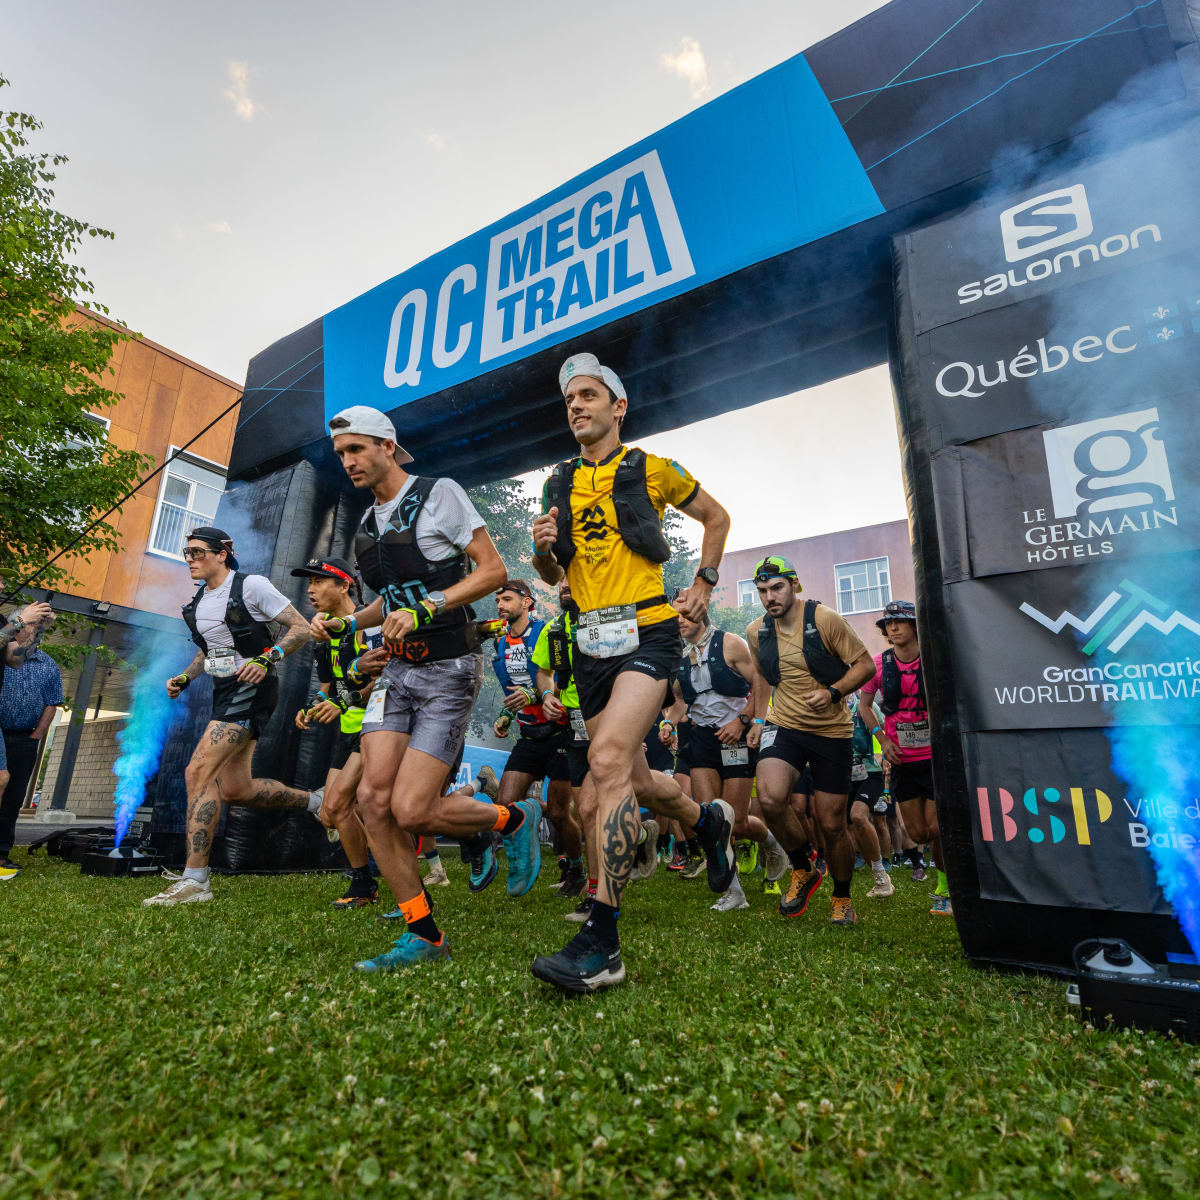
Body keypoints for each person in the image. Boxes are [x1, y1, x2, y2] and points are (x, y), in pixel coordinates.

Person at [529, 351, 737, 992]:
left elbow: (717, 517)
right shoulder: (557, 483)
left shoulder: (653, 468)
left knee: (607, 762)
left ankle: (603, 942)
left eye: (588, 395)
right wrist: (541, 554)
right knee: (639, 781)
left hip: (649, 629)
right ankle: (709, 824)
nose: (576, 406)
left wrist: (703, 581)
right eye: (569, 400)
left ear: (618, 406)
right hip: (588, 642)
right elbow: (553, 574)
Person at [317, 406, 538, 973]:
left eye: (357, 449)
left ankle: (512, 820)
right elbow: (388, 602)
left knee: (412, 810)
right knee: (372, 802)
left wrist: (429, 606)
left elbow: (492, 571)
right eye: (341, 454)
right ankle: (424, 933)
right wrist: (349, 622)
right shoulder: (369, 523)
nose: (348, 461)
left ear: (387, 446)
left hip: (448, 670)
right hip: (396, 673)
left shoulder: (439, 494)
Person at [143, 527, 317, 906]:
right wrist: (184, 678)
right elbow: (210, 651)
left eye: (198, 552)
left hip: (253, 687)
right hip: (224, 689)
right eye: (187, 552)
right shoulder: (199, 601)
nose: (190, 559)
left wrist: (267, 658)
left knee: (197, 772)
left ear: (222, 553)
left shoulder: (251, 586)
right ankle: (316, 803)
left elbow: (301, 627)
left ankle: (195, 880)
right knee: (238, 790)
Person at [745, 556, 876, 927]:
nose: (770, 597)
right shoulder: (757, 631)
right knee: (770, 799)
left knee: (832, 824)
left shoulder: (824, 619)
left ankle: (842, 897)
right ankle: (803, 867)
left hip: (831, 731)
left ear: (794, 585)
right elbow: (762, 677)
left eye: (777, 588)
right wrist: (758, 719)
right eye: (762, 591)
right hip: (784, 724)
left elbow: (865, 666)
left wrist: (833, 692)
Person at [665, 610, 787, 911]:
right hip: (702, 740)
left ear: (701, 614)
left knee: (737, 822)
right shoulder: (680, 655)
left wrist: (743, 720)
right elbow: (679, 698)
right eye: (675, 616)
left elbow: (760, 683)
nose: (680, 621)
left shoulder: (729, 643)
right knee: (712, 821)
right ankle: (735, 893)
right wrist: (668, 723)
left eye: (686, 615)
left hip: (736, 737)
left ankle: (772, 843)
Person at [290, 556, 388, 908]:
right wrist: (312, 705)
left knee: (346, 805)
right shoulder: (322, 637)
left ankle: (369, 882)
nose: (311, 589)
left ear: (345, 585)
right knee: (332, 813)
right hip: (349, 730)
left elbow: (386, 678)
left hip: (377, 725)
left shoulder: (369, 624)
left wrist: (344, 703)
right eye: (309, 582)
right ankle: (374, 874)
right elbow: (327, 687)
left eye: (318, 581)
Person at [486, 578, 581, 892]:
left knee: (559, 812)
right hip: (528, 733)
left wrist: (535, 694)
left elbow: (561, 678)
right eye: (498, 600)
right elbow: (513, 689)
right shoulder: (500, 642)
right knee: (506, 804)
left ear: (527, 602)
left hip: (560, 732)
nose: (500, 605)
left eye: (507, 599)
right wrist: (506, 715)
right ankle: (529, 848)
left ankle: (576, 869)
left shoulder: (546, 632)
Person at [857, 600, 949, 914]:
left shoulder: (933, 656)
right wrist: (882, 739)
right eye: (888, 623)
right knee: (919, 833)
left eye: (900, 622)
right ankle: (936, 867)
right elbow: (864, 706)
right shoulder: (878, 664)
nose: (893, 628)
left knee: (937, 829)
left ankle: (946, 887)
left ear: (915, 625)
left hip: (934, 757)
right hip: (901, 760)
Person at [532, 576, 591, 907]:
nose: (565, 585)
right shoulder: (553, 628)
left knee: (635, 790)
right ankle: (592, 886)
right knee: (585, 808)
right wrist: (546, 696)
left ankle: (641, 835)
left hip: (611, 719)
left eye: (573, 576)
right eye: (561, 580)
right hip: (573, 727)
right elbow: (544, 673)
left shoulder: (608, 618)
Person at [0, 601, 57, 876]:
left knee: (12, 798)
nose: (32, 631)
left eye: (36, 627)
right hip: (0, 731)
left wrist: (36, 736)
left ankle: (1, 854)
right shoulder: (6, 644)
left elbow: (52, 702)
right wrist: (22, 622)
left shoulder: (46, 664)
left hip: (24, 738)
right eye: (29, 625)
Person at [847, 695, 894, 899]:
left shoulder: (865, 705)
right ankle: (873, 869)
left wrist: (886, 757)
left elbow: (885, 729)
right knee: (850, 826)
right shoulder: (828, 706)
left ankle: (881, 874)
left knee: (858, 815)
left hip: (870, 772)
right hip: (842, 774)